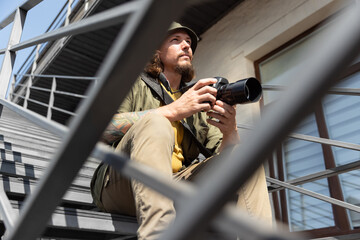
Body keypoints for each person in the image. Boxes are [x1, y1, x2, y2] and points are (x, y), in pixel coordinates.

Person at [91, 22, 272, 239]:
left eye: (188, 42)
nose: (186, 46)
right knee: (155, 122)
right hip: (122, 181)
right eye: (175, 40)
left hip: (175, 184)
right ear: (156, 50)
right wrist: (173, 110)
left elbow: (224, 160)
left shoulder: (197, 99)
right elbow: (100, 129)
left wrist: (230, 131)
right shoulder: (133, 82)